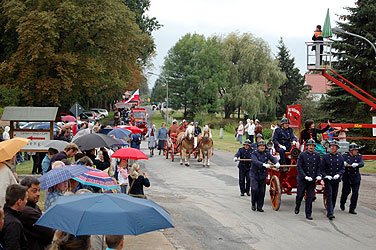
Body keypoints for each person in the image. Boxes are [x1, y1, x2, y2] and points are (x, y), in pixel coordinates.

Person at [20, 177, 55, 250]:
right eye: (34, 191)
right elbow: (50, 233)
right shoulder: (27, 212)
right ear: (25, 192)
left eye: (39, 190)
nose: (38, 194)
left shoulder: (33, 205)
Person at [294, 139, 321, 220]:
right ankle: (297, 206)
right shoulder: (302, 155)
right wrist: (305, 176)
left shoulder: (317, 155)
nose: (311, 147)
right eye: (310, 146)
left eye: (313, 146)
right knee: (300, 195)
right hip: (303, 179)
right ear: (307, 146)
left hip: (312, 179)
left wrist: (318, 175)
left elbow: (319, 166)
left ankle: (308, 214)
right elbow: (299, 167)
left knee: (310, 197)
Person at [251, 140, 279, 212]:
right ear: (258, 147)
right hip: (254, 174)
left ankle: (260, 207)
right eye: (260, 146)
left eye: (263, 146)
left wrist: (276, 162)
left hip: (263, 175)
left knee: (262, 191)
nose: (262, 147)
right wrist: (263, 164)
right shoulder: (254, 153)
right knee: (254, 189)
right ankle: (253, 203)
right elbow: (255, 161)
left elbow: (272, 158)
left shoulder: (267, 153)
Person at [320, 140, 345, 220]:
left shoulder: (340, 157)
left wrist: (339, 174)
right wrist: (325, 176)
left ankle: (331, 209)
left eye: (334, 146)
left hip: (336, 179)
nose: (332, 147)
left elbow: (342, 168)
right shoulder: (325, 156)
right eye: (331, 146)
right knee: (329, 195)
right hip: (328, 179)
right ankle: (330, 213)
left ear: (337, 148)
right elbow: (322, 168)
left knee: (334, 195)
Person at [0, 184, 28, 250]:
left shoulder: (5, 214)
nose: (26, 202)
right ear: (19, 202)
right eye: (26, 199)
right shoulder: (13, 224)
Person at [340, 143, 364, 214]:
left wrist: (358, 164)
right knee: (345, 192)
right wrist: (343, 163)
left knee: (355, 193)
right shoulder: (345, 156)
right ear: (350, 151)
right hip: (347, 177)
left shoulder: (359, 156)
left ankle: (352, 208)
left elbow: (362, 163)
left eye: (357, 150)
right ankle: (342, 203)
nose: (356, 151)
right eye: (355, 150)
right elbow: (340, 163)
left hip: (356, 178)